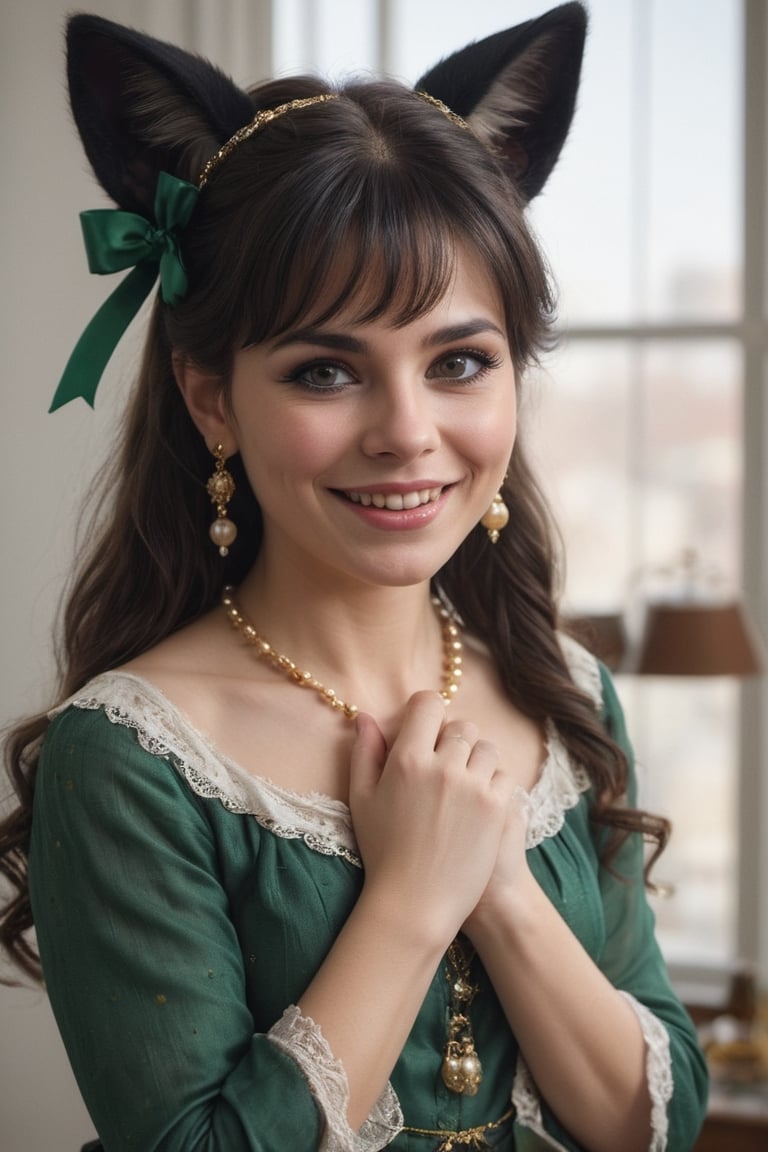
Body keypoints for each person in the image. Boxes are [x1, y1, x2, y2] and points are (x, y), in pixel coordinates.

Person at [0, 4, 708, 1150]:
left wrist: (499, 887)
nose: (409, 432)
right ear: (211, 396)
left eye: (461, 361)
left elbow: (655, 1122)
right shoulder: (129, 758)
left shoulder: (560, 688)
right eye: (329, 370)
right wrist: (412, 900)